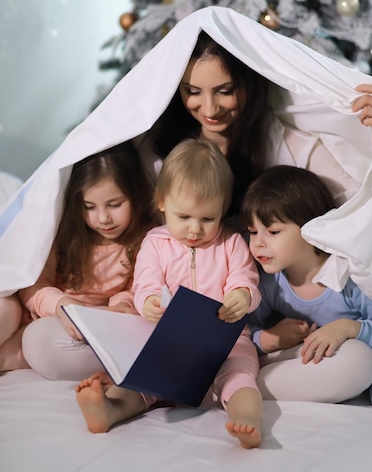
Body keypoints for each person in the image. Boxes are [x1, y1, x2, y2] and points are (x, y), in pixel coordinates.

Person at [75, 139, 263, 449]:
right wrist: (147, 303)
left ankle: (249, 419)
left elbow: (246, 278)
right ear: (162, 202)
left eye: (208, 219)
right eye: (184, 217)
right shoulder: (155, 243)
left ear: (223, 211)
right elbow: (145, 283)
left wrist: (242, 296)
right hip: (171, 342)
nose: (195, 230)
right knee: (144, 381)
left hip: (227, 340)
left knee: (239, 375)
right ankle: (109, 410)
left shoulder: (231, 243)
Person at [138, 30, 372, 215]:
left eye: (225, 91)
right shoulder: (158, 152)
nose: (209, 108)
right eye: (192, 92)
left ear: (250, 84)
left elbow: (360, 207)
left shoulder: (294, 150)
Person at [239, 165, 372, 403]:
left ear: (312, 226)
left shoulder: (348, 278)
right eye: (252, 232)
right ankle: (241, 387)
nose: (258, 243)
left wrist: (348, 328)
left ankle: (247, 387)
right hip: (330, 363)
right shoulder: (271, 283)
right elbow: (242, 331)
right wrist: (267, 338)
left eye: (272, 231)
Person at [16, 141, 157, 380]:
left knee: (39, 340)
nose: (103, 218)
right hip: (46, 313)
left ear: (135, 196)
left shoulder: (145, 239)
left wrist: (123, 305)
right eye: (88, 207)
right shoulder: (65, 233)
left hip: (82, 328)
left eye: (115, 205)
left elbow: (136, 287)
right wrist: (63, 304)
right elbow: (31, 285)